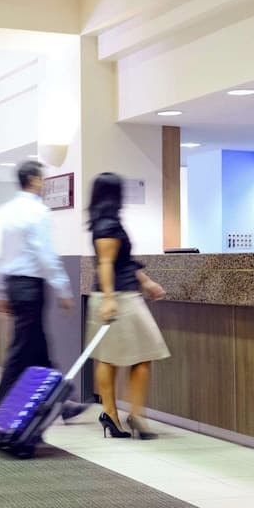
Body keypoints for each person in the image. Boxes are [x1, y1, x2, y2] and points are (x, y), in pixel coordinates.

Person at [0, 159, 88, 421]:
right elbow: (45, 253)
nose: (44, 184)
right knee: (21, 351)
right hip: (30, 287)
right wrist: (63, 287)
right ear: (33, 180)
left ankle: (62, 402)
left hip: (13, 285)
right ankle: (1, 415)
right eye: (42, 179)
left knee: (39, 347)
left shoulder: (8, 211)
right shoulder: (37, 211)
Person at [86, 172, 171, 440]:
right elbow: (106, 263)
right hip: (118, 298)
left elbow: (123, 262)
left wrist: (146, 282)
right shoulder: (108, 225)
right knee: (134, 355)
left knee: (114, 358)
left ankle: (123, 414)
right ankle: (125, 415)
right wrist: (110, 298)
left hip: (119, 295)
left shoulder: (105, 222)